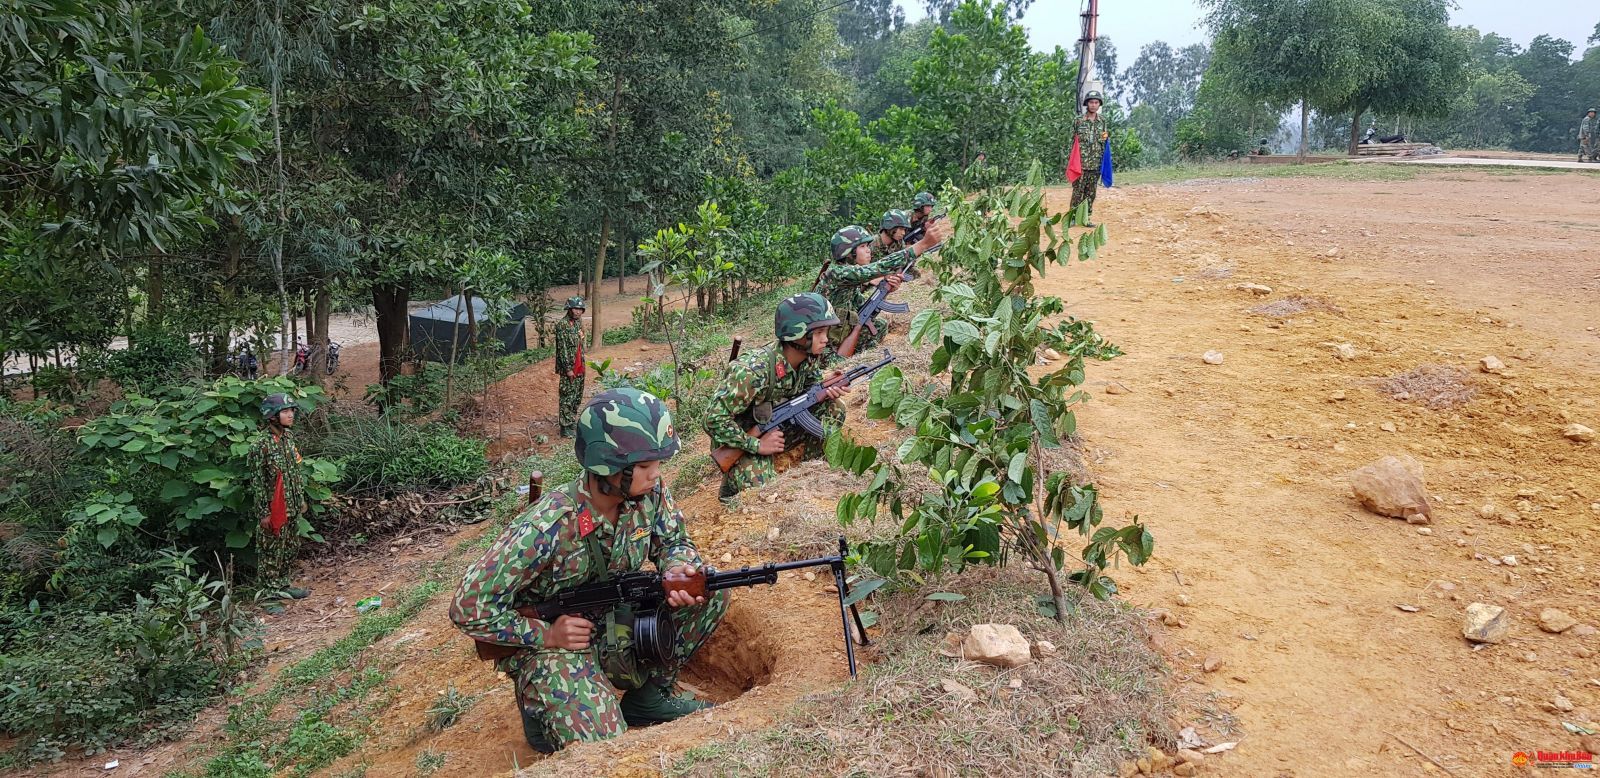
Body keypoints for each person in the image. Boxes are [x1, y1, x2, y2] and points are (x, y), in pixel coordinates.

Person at [449, 388, 724, 753]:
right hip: (559, 640)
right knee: (605, 748)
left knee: (710, 586)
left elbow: (675, 543)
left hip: (611, 620)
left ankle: (649, 696)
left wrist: (676, 569)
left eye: (657, 464)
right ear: (607, 467)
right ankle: (544, 709)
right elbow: (468, 606)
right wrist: (545, 635)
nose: (656, 476)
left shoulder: (650, 495)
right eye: (645, 466)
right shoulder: (547, 526)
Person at [704, 293, 856, 499]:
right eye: (819, 332)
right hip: (742, 438)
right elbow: (713, 420)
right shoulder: (751, 371)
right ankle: (732, 485)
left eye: (826, 331)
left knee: (834, 408)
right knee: (764, 494)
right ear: (798, 334)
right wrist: (757, 445)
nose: (826, 339)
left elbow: (809, 389)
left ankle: (811, 468)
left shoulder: (807, 358)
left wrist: (827, 388)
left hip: (778, 426)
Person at [815, 220, 946, 358]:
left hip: (837, 332)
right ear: (848, 253)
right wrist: (922, 244)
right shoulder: (838, 273)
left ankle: (855, 356)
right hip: (823, 342)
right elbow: (880, 267)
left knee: (879, 326)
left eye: (868, 246)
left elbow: (862, 309)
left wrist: (885, 290)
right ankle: (837, 359)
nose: (868, 250)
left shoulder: (850, 280)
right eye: (863, 246)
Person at [250, 393, 310, 599]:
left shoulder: (287, 438)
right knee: (271, 552)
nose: (291, 414)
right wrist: (263, 513)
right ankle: (268, 594)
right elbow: (257, 482)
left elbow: (294, 471)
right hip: (274, 508)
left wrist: (299, 499)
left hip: (291, 504)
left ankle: (283, 585)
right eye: (285, 411)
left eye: (291, 410)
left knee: (291, 547)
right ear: (273, 416)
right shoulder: (261, 445)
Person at [1069, 90, 1110, 227]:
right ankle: (1072, 218)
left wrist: (1104, 164)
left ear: (1099, 104)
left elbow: (1105, 141)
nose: (1093, 105)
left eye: (1096, 102)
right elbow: (1072, 143)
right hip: (1080, 164)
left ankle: (1086, 218)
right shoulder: (1078, 121)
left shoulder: (1103, 121)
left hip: (1096, 164)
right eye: (1091, 102)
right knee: (1077, 192)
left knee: (1091, 194)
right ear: (1087, 104)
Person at [555, 296, 586, 437]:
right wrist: (568, 369)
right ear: (569, 309)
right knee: (567, 396)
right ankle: (565, 427)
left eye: (580, 309)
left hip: (580, 365)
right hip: (570, 367)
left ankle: (571, 419)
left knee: (577, 395)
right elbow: (563, 349)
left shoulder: (578, 323)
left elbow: (580, 343)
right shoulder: (562, 325)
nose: (578, 312)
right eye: (575, 308)